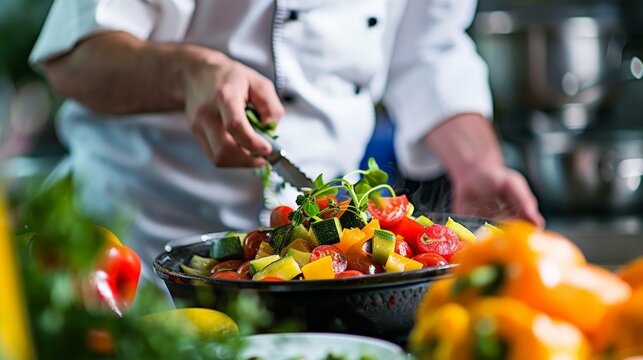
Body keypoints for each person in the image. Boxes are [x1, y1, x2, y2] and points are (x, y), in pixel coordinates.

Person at [30, 0, 544, 275]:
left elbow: (426, 51)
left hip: (323, 267)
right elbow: (72, 58)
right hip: (133, 248)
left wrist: (475, 164)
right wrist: (187, 74)